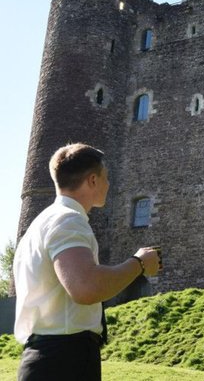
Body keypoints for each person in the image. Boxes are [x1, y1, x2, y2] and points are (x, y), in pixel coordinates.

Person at [13, 143, 161, 380]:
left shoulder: (42, 223)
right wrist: (139, 263)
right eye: (106, 178)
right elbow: (85, 288)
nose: (109, 184)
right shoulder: (68, 221)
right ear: (93, 180)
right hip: (64, 359)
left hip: (49, 356)